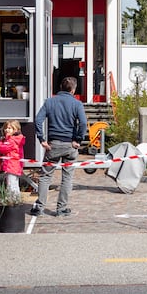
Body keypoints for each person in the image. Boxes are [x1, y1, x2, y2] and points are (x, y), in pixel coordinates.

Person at [30, 77, 88, 217]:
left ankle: (39, 207)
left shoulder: (50, 102)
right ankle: (61, 208)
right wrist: (78, 140)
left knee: (45, 176)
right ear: (73, 90)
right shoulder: (77, 103)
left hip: (53, 145)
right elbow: (83, 123)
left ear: (60, 87)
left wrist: (41, 139)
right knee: (67, 178)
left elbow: (38, 120)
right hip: (70, 145)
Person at [0, 119, 26, 201]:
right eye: (6, 128)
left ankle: (11, 200)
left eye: (10, 128)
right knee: (14, 183)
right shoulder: (14, 139)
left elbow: (3, 148)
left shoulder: (12, 140)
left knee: (11, 184)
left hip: (12, 165)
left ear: (15, 129)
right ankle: (16, 200)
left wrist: (0, 143)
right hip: (14, 165)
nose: (7, 130)